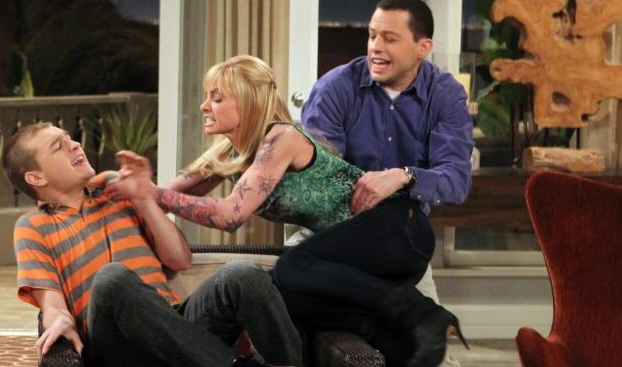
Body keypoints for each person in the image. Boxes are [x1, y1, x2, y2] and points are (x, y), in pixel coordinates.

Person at [108, 54, 466, 367]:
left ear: (248, 102)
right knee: (287, 298)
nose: (204, 106)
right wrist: (118, 186)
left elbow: (230, 215)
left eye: (216, 98)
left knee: (292, 266)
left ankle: (423, 311)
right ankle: (404, 344)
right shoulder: (230, 154)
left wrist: (149, 192)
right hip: (360, 257)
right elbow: (166, 195)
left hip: (397, 228)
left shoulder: (282, 138)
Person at [5, 122, 302, 367]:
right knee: (111, 279)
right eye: (58, 146)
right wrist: (58, 321)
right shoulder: (33, 227)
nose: (74, 145)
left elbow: (179, 259)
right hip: (118, 348)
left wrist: (145, 199)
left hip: (174, 329)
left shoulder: (116, 187)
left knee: (243, 275)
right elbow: (51, 304)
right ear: (36, 177)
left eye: (69, 138)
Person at [297, 0, 474, 365]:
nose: (376, 47)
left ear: (423, 47)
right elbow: (315, 182)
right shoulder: (335, 88)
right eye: (372, 35)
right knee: (293, 315)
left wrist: (404, 177)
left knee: (432, 358)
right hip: (333, 234)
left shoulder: (445, 95)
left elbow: (456, 181)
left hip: (400, 243)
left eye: (390, 38)